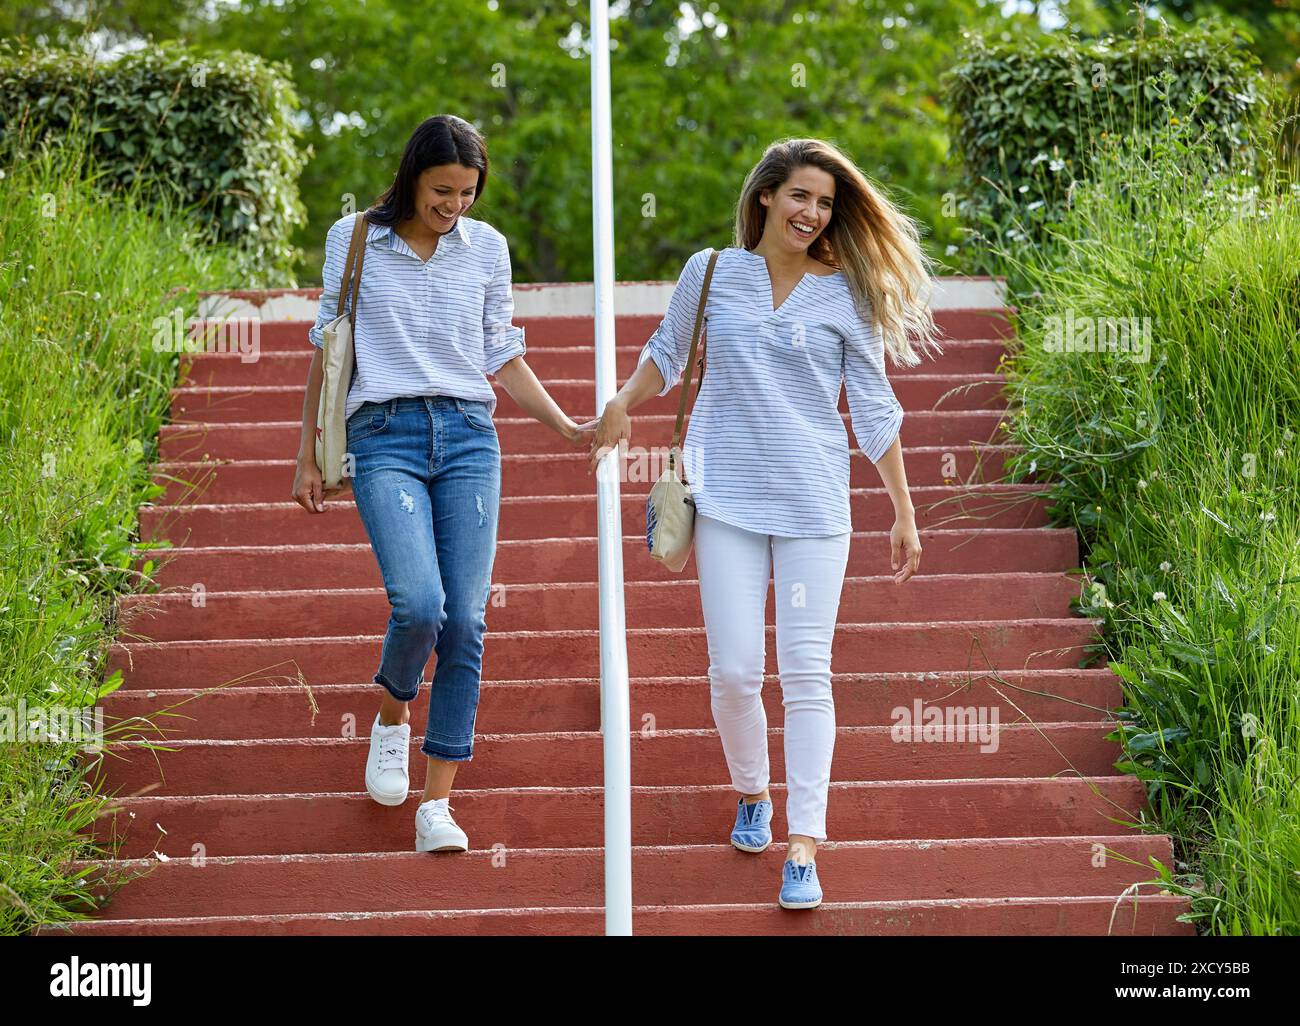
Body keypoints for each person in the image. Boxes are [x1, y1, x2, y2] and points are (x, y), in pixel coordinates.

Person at [588, 137, 942, 909]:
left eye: (824, 204)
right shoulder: (713, 272)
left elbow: (874, 409)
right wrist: (621, 402)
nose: (811, 214)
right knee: (737, 672)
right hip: (727, 502)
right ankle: (753, 792)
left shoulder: (847, 292)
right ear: (765, 198)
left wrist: (905, 511)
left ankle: (804, 845)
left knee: (806, 673)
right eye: (799, 197)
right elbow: (666, 351)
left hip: (815, 506)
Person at [292, 114, 597, 853]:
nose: (453, 205)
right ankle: (395, 712)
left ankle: (438, 803)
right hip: (382, 433)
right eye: (440, 190)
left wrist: (568, 428)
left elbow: (503, 354)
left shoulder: (487, 248)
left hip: (467, 437)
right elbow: (331, 349)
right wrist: (307, 451)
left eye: (466, 192)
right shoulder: (356, 238)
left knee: (466, 619)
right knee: (420, 603)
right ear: (410, 177)